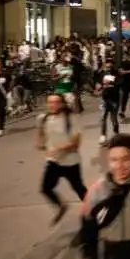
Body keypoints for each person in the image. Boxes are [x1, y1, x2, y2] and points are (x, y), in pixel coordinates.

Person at [35, 94, 87, 225]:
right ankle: (61, 206)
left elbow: (75, 143)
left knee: (80, 190)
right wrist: (40, 141)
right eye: (50, 102)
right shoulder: (44, 119)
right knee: (46, 188)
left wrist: (58, 149)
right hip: (54, 161)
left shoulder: (71, 118)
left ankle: (96, 211)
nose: (53, 105)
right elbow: (41, 138)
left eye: (57, 102)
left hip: (70, 162)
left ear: (63, 104)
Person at [97, 58, 121, 146]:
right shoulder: (102, 73)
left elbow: (121, 83)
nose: (109, 64)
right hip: (104, 98)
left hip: (114, 98)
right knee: (103, 117)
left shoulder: (117, 73)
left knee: (113, 118)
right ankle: (103, 136)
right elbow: (99, 85)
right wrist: (100, 87)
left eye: (111, 63)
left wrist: (112, 81)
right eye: (107, 62)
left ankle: (116, 134)